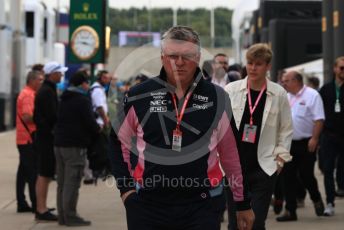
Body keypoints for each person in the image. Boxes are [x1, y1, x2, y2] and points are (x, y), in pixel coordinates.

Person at [110, 25, 254, 230]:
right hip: (147, 205)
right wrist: (127, 191)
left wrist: (242, 203)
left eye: (186, 56)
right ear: (162, 57)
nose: (178, 62)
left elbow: (232, 155)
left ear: (197, 58)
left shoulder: (218, 98)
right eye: (172, 55)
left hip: (202, 204)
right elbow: (118, 144)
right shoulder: (138, 95)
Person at [224, 43, 293, 230]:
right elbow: (219, 127)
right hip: (234, 168)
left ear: (268, 66)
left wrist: (280, 159)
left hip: (264, 166)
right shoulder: (231, 90)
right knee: (235, 224)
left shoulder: (278, 93)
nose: (253, 68)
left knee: (256, 223)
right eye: (250, 63)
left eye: (259, 64)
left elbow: (286, 128)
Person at [276, 71, 325, 221]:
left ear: (296, 81)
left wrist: (315, 138)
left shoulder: (312, 95)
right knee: (287, 177)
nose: (283, 83)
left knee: (306, 175)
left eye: (286, 81)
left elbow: (319, 119)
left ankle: (316, 198)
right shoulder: (285, 96)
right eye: (283, 81)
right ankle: (290, 210)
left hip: (306, 143)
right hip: (288, 143)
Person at [54, 71, 100, 226]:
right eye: (87, 83)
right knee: (72, 182)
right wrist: (98, 130)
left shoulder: (63, 98)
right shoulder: (82, 100)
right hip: (74, 145)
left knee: (62, 182)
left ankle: (62, 216)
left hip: (59, 144)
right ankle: (71, 216)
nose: (88, 86)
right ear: (82, 84)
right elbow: (90, 122)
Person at [33, 61, 68, 221]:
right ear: (52, 74)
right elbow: (52, 117)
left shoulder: (48, 89)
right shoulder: (47, 91)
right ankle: (41, 209)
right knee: (44, 173)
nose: (61, 75)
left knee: (45, 173)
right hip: (46, 138)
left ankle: (42, 207)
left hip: (45, 137)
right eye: (59, 72)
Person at [15, 70, 44, 213]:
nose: (41, 82)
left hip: (24, 138)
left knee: (23, 173)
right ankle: (35, 205)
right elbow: (27, 117)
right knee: (33, 173)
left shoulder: (28, 93)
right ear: (32, 80)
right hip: (28, 139)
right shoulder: (28, 95)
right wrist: (42, 119)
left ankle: (21, 202)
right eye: (39, 80)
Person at [319, 56, 344, 216]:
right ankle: (329, 202)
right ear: (335, 69)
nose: (343, 71)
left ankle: (341, 187)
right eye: (341, 68)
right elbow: (318, 113)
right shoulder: (326, 89)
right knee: (327, 169)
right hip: (328, 135)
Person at [86, 70, 112, 183]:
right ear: (100, 78)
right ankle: (99, 170)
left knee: (102, 146)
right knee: (101, 147)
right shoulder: (97, 90)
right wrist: (106, 121)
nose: (107, 80)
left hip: (101, 121)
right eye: (105, 78)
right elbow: (99, 107)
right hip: (99, 122)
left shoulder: (99, 89)